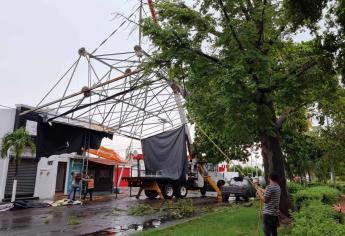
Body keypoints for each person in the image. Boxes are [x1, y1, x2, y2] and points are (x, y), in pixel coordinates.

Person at [256, 171, 281, 236]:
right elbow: (267, 192)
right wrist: (258, 188)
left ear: (269, 178)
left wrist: (259, 194)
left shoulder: (269, 187)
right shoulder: (277, 187)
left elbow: (265, 200)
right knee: (274, 232)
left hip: (268, 215)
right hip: (275, 214)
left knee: (267, 232)